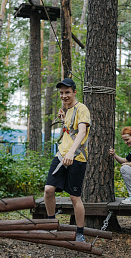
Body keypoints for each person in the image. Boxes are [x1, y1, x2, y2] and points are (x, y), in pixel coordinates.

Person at [44, 78, 91, 243]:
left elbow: (82, 132)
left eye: (67, 92)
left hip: (76, 157)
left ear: (74, 92)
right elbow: (70, 131)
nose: (64, 96)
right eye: (62, 93)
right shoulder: (68, 109)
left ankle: (80, 232)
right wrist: (64, 120)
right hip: (61, 156)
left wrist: (71, 152)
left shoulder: (81, 108)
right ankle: (51, 225)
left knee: (74, 197)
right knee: (49, 189)